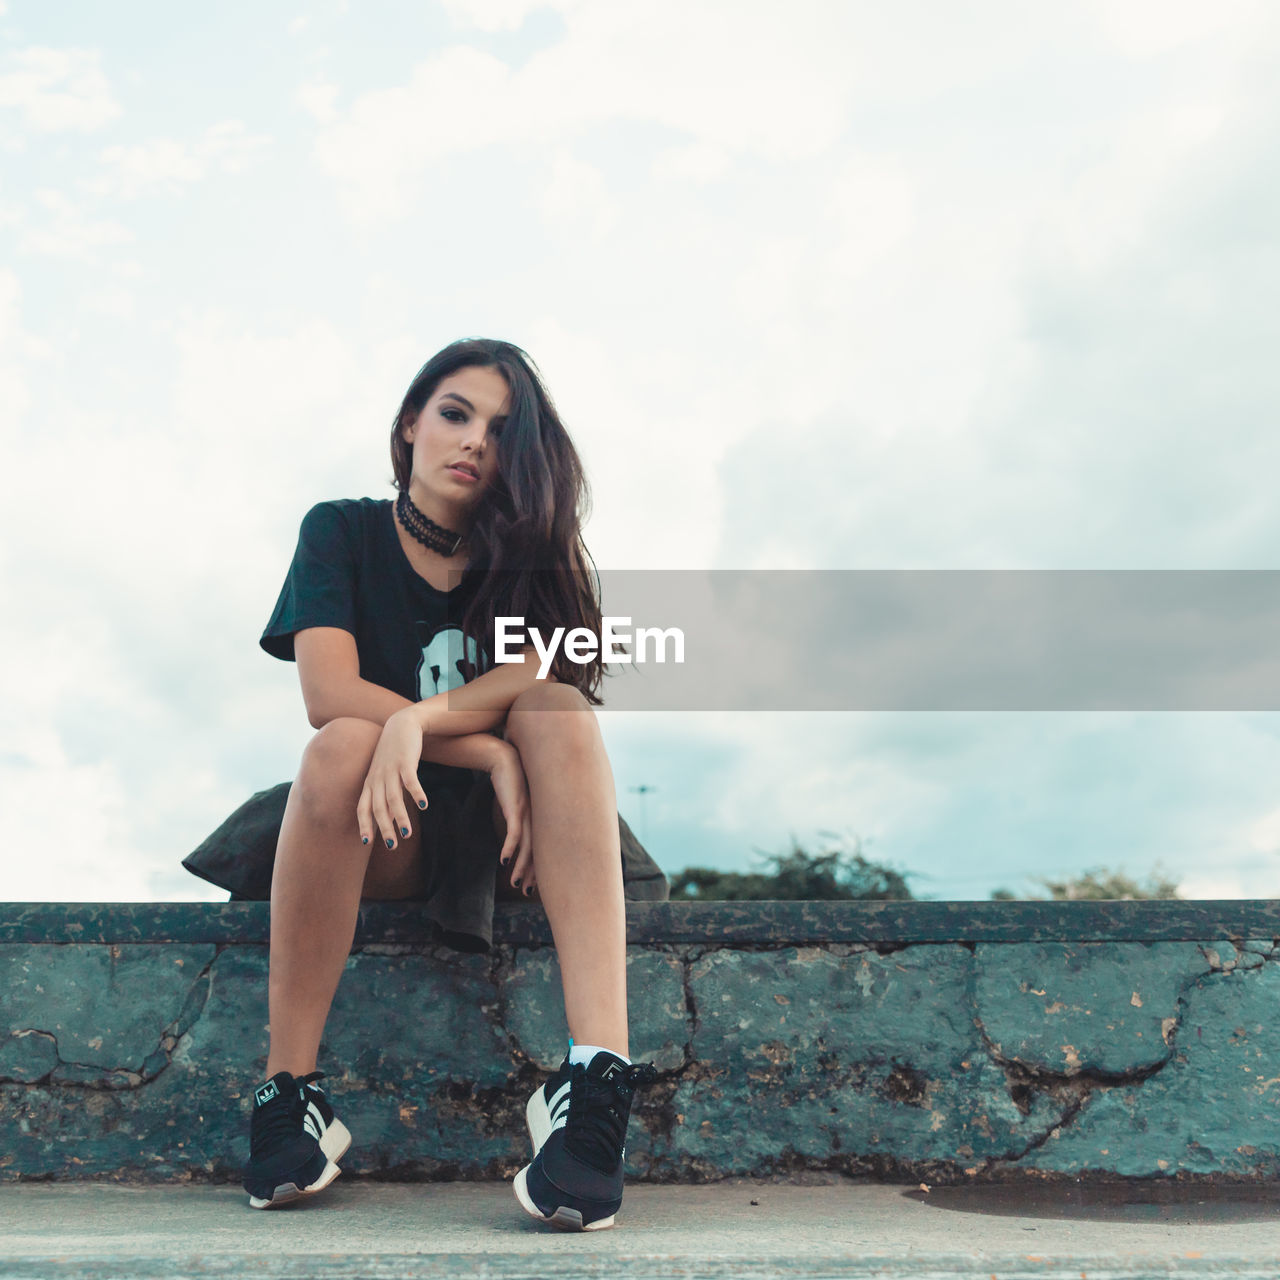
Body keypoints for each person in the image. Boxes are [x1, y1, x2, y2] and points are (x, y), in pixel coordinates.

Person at [242, 337, 656, 1231]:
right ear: (409, 424)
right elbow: (326, 694)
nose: (474, 442)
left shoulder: (531, 554)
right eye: (455, 414)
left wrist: (421, 724)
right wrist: (479, 749)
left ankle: (594, 1083)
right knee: (342, 741)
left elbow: (542, 675)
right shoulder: (340, 531)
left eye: (502, 431)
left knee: (555, 712)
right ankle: (290, 1093)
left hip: (516, 844)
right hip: (380, 828)